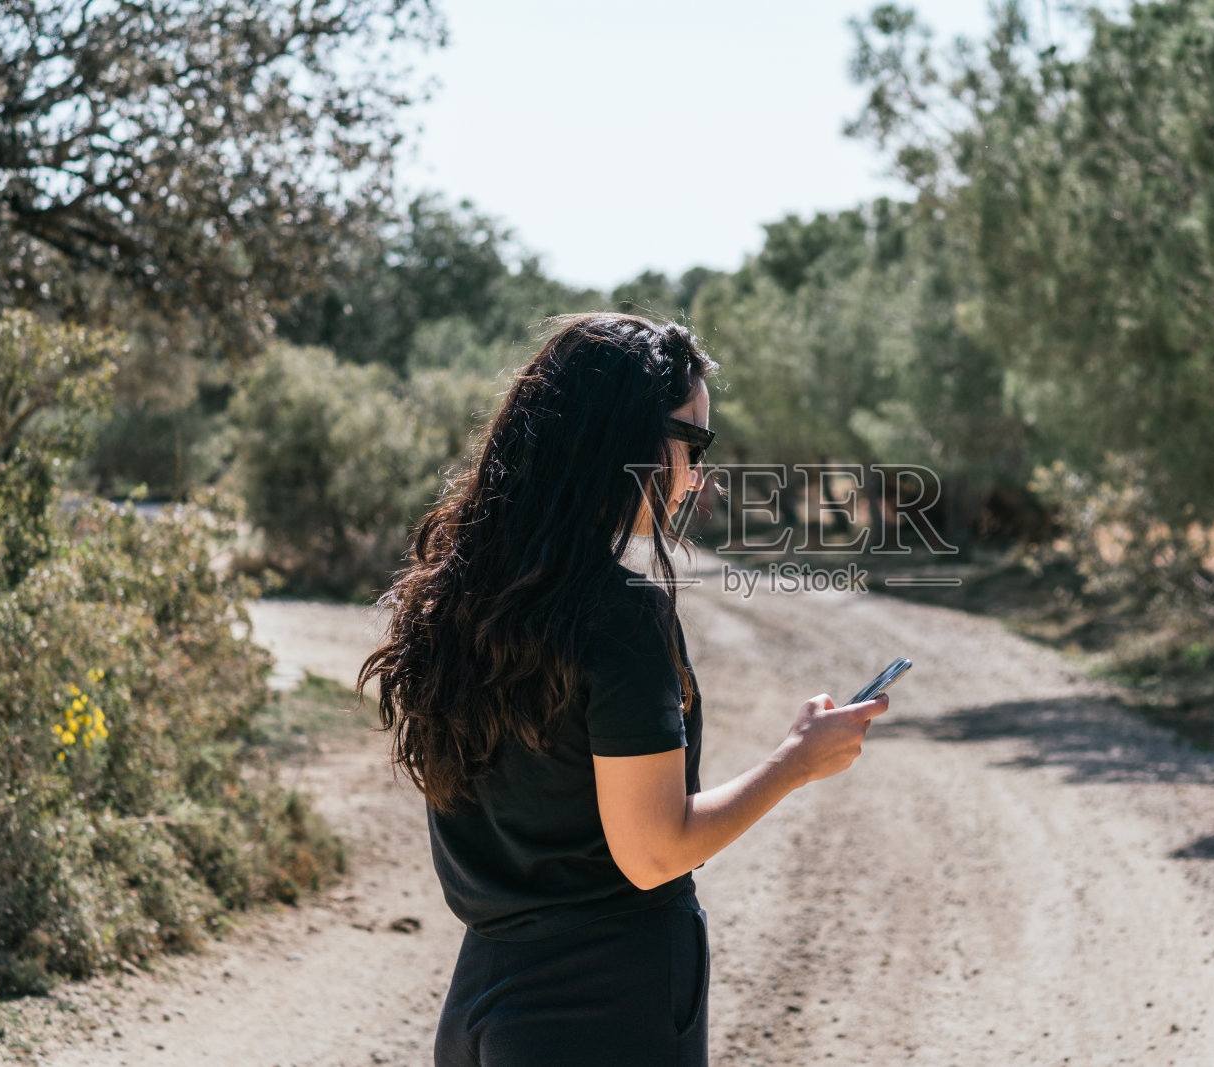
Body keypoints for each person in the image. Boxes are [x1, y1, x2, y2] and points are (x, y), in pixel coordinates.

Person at [357, 313, 891, 1067]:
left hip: (480, 1000)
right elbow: (651, 851)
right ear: (622, 438)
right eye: (693, 444)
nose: (699, 473)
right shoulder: (619, 615)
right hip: (605, 1009)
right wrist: (796, 762)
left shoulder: (458, 600)